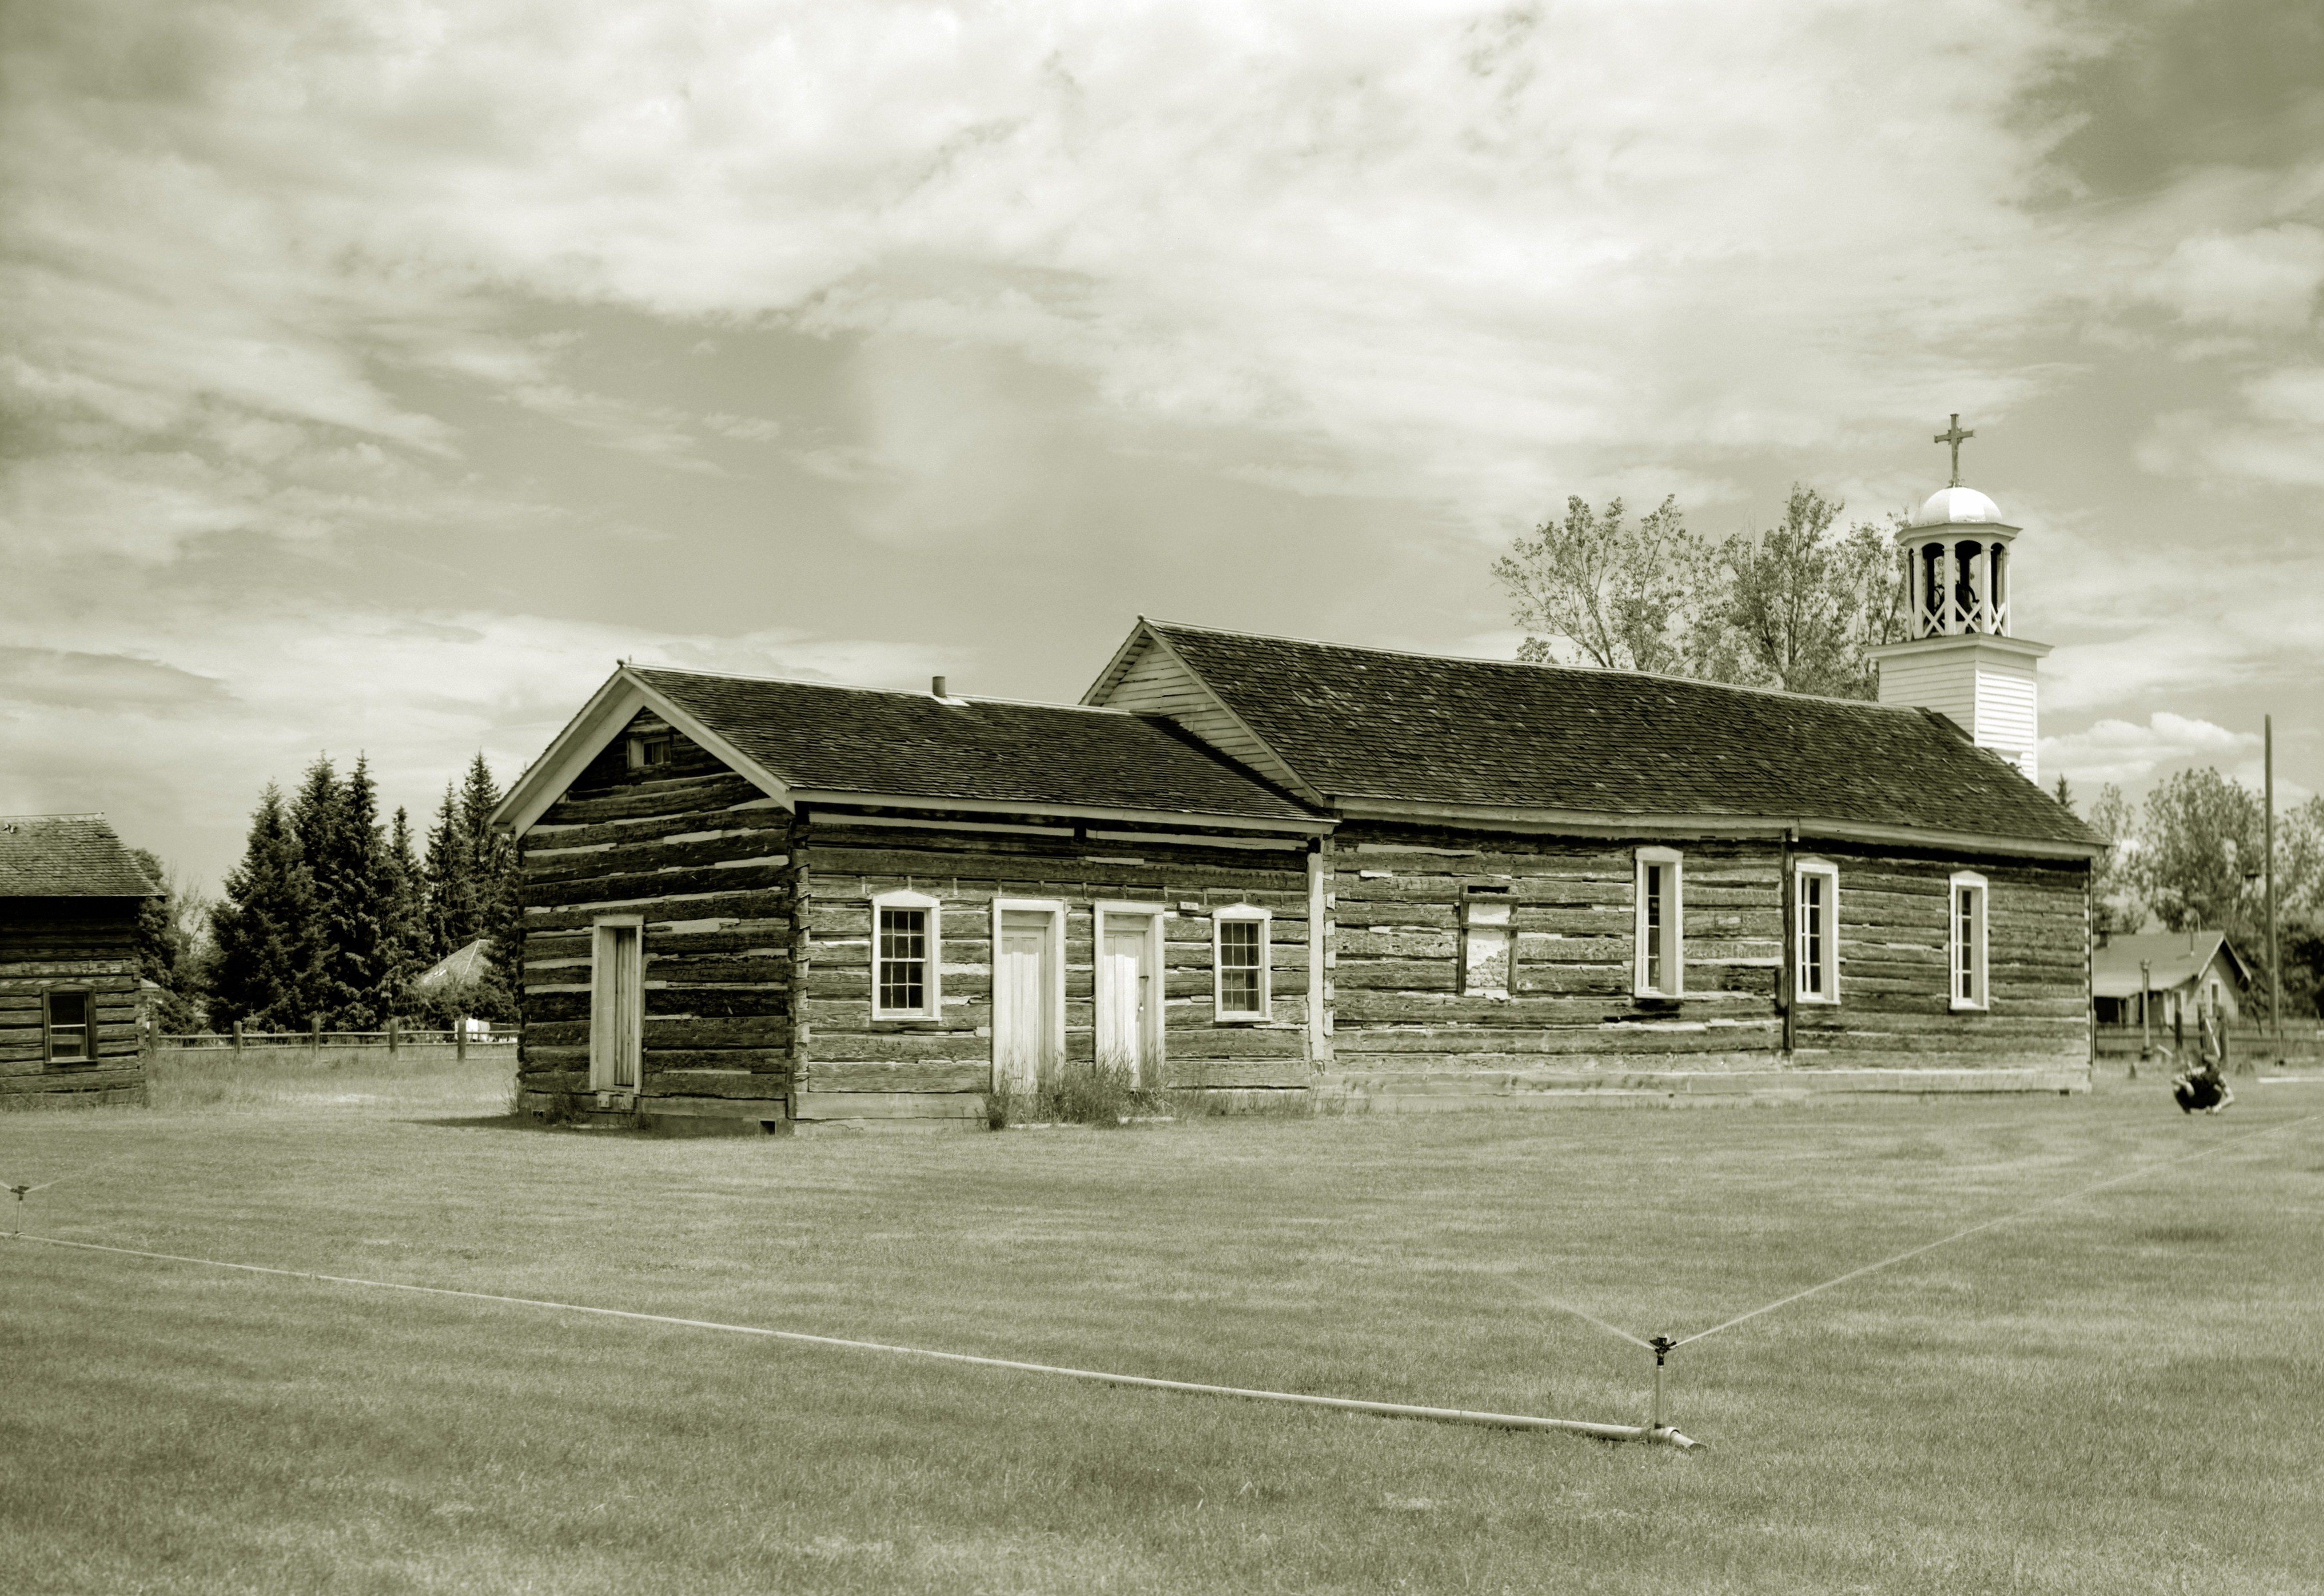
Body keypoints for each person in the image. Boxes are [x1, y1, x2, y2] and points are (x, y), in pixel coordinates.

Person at [2172, 991, 2234, 1115]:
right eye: (2214, 1073)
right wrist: (2186, 1085)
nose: (2216, 1075)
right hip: (2192, 1097)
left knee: (2218, 1093)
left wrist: (2220, 1106)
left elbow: (2232, 1097)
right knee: (2176, 1088)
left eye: (2217, 1072)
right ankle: (2187, 1110)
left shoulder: (2219, 1078)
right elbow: (2174, 1079)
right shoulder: (2197, 1073)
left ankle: (2211, 1110)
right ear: (2207, 1071)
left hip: (2204, 1099)